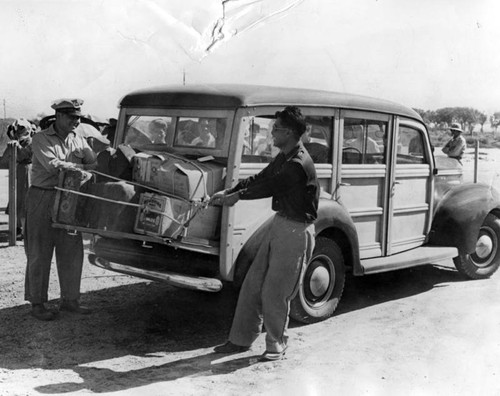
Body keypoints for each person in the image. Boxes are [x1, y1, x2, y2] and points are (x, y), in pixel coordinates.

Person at [210, 106, 319, 361]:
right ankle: (240, 340)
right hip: (280, 223)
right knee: (253, 284)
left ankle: (276, 343)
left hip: (296, 231)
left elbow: (271, 186)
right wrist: (231, 191)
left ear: (290, 132)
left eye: (276, 129)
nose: (271, 133)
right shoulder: (285, 155)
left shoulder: (299, 163)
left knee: (276, 291)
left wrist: (236, 197)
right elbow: (263, 176)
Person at [24, 98, 97, 321]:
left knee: (72, 250)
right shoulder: (41, 138)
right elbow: (53, 165)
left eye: (78, 118)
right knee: (39, 251)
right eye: (71, 117)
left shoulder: (79, 139)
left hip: (70, 197)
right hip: (43, 197)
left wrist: (82, 169)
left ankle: (70, 300)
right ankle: (38, 303)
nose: (76, 121)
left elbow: (94, 164)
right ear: (58, 116)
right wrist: (81, 169)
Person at [0, 118, 36, 237]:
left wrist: (18, 147)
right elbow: (5, 159)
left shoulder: (32, 142)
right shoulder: (17, 142)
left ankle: (26, 230)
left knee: (25, 198)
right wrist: (12, 144)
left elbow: (26, 155)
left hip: (27, 170)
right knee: (16, 198)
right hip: (19, 170)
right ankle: (17, 227)